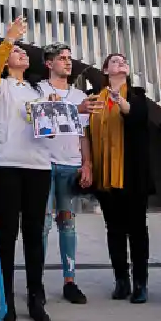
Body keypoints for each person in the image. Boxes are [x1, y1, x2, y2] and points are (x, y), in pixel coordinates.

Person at [0, 17, 52, 321]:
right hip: (6, 164)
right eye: (16, 51)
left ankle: (36, 297)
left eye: (24, 51)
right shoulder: (0, 87)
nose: (22, 54)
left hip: (38, 165)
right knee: (7, 234)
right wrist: (8, 39)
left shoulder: (39, 90)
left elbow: (50, 125)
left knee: (34, 234)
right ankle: (6, 298)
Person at [80, 53, 154, 303]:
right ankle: (121, 279)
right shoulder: (93, 99)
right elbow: (86, 133)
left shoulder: (138, 95)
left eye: (124, 60)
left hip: (132, 173)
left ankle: (141, 282)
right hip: (105, 173)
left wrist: (120, 102)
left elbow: (137, 119)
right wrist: (87, 164)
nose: (121, 62)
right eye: (114, 61)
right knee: (114, 228)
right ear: (105, 70)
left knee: (137, 229)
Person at [39, 42, 103, 306]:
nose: (68, 62)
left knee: (68, 223)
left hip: (70, 163)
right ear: (49, 63)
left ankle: (70, 280)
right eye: (61, 58)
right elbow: (40, 122)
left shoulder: (79, 96)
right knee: (41, 226)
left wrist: (86, 163)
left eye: (69, 58)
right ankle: (37, 281)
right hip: (42, 163)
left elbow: (83, 134)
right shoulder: (39, 90)